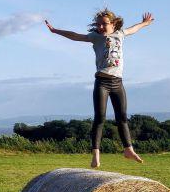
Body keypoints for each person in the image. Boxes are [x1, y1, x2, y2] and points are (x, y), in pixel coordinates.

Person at [45, 9, 154, 167]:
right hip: (102, 82)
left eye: (104, 24)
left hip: (117, 82)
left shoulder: (120, 34)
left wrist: (144, 23)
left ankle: (128, 149)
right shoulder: (95, 37)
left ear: (113, 23)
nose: (101, 26)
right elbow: (75, 36)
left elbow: (134, 28)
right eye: (98, 24)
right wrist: (55, 31)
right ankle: (96, 154)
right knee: (100, 118)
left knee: (122, 118)